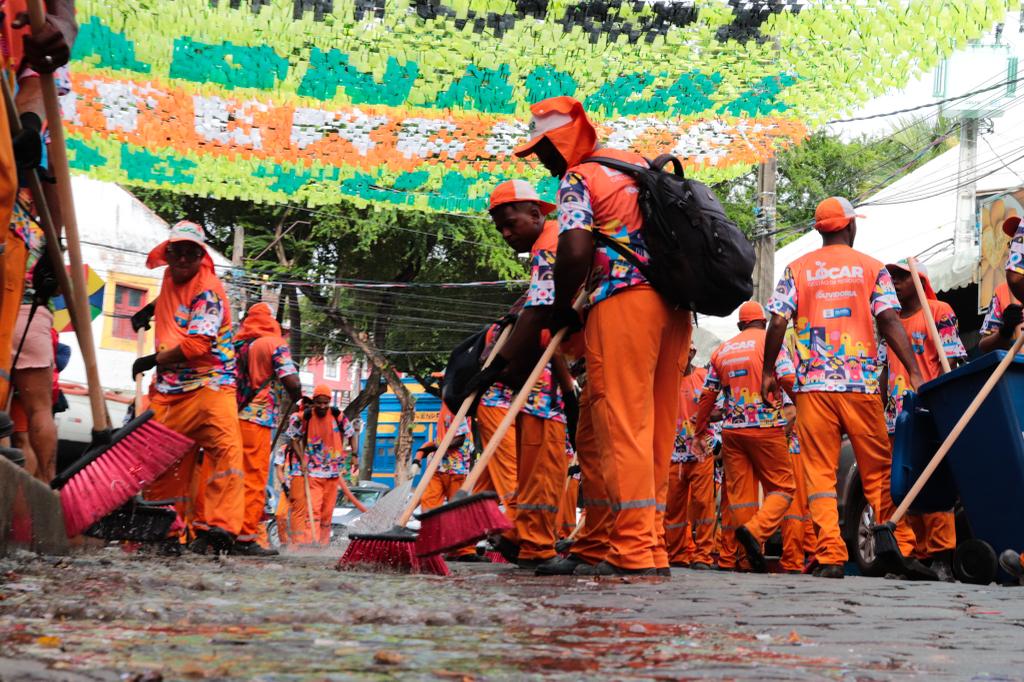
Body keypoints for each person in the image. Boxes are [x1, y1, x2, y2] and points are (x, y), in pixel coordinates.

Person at [514, 96, 689, 576]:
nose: (544, 160)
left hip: (624, 301)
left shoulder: (580, 177)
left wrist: (560, 308)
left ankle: (632, 548)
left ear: (563, 140)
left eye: (544, 149)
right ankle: (650, 545)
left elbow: (573, 249)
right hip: (676, 307)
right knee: (654, 429)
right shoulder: (638, 165)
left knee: (622, 426)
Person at [762, 197, 924, 579]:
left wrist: (769, 369)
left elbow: (778, 322)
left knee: (818, 474)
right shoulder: (872, 268)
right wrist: (914, 370)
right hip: (860, 385)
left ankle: (831, 555)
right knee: (877, 470)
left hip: (812, 388)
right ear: (851, 226)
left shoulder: (796, 269)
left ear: (820, 230)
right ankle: (897, 546)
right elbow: (888, 319)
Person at [470, 179, 569, 570]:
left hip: (545, 386)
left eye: (512, 223)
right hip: (538, 391)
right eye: (501, 229)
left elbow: (540, 314)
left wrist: (496, 367)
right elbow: (535, 310)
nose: (507, 234)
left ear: (536, 213)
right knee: (537, 470)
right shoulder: (551, 244)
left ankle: (534, 542)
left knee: (541, 469)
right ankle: (531, 543)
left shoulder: (550, 242)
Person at [136, 220, 245, 555]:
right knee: (161, 461)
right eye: (177, 251)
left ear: (201, 256)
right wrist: (147, 310)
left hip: (211, 386)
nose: (183, 258)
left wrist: (152, 359)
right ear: (168, 253)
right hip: (170, 391)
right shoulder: (169, 276)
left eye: (191, 253)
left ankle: (219, 531)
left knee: (225, 453)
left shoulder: (209, 290)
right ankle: (166, 532)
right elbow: (173, 300)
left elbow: (198, 345)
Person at [0, 1, 76, 476]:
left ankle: (42, 489)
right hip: (35, 309)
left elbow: (55, 36)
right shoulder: (40, 187)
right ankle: (45, 485)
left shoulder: (22, 188)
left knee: (25, 424)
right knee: (30, 420)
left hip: (21, 305)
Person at [694, 301, 797, 573]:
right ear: (763, 322)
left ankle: (743, 558)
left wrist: (699, 430)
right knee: (783, 488)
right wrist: (803, 403)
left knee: (742, 498)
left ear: (740, 325)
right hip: (766, 428)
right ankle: (755, 531)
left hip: (733, 431)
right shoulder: (771, 344)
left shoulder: (722, 350)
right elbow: (787, 378)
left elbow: (707, 396)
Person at [882, 260, 967, 581]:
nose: (894, 282)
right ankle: (916, 557)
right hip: (896, 416)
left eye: (901, 277)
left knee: (936, 485)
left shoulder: (938, 311)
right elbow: (884, 368)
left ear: (918, 279)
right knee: (904, 488)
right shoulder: (888, 320)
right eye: (891, 278)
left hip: (930, 411)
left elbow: (954, 360)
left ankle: (941, 556)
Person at [233, 302, 302, 556]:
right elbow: (291, 381)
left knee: (230, 476)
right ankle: (245, 538)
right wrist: (296, 394)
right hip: (257, 419)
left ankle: (219, 531)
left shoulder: (235, 345)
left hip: (228, 418)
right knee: (253, 477)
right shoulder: (273, 343)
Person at [282, 385, 359, 547]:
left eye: (326, 403)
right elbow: (294, 438)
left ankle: (323, 544)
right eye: (319, 403)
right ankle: (311, 543)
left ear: (330, 401)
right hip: (313, 473)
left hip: (334, 473)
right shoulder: (306, 417)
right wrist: (302, 458)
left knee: (327, 512)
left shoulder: (338, 416)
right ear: (314, 402)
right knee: (314, 510)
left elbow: (352, 434)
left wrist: (354, 456)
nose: (322, 406)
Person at [665, 343, 716, 569]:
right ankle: (676, 554)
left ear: (693, 353)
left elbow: (723, 407)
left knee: (703, 504)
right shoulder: (665, 381)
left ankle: (703, 555)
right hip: (673, 455)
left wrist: (704, 417)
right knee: (673, 508)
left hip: (701, 453)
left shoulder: (704, 377)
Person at [414, 404, 480, 561]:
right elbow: (441, 439)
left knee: (458, 510)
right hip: (437, 468)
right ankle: (433, 545)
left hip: (455, 469)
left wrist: (438, 446)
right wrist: (420, 456)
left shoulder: (457, 407)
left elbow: (460, 439)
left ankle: (464, 551)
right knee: (429, 507)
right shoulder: (445, 408)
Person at [981, 215, 1024, 352]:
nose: (1016, 248)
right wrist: (1005, 330)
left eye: (1021, 242)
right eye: (1014, 243)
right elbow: (984, 346)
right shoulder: (1003, 291)